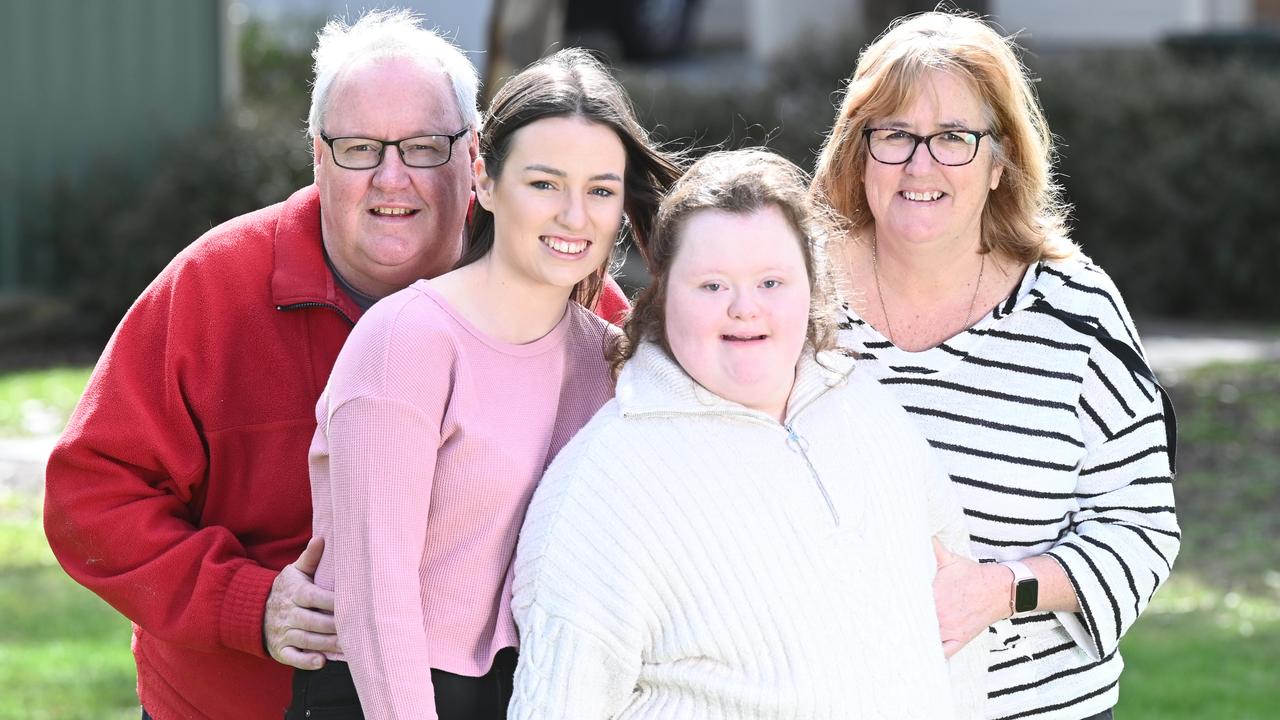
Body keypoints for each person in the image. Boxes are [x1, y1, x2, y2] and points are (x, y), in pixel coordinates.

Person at [41, 11, 630, 720]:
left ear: (471, 159)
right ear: (317, 157)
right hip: (235, 703)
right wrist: (248, 603)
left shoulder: (566, 304)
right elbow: (91, 496)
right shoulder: (214, 287)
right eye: (357, 148)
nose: (391, 179)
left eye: (421, 147)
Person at [508, 148, 986, 719]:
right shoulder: (604, 485)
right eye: (711, 286)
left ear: (812, 284)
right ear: (662, 293)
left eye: (771, 282)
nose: (744, 309)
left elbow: (957, 625)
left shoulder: (869, 410)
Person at [289, 48, 682, 720]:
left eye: (600, 190)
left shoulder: (612, 363)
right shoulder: (406, 343)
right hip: (392, 695)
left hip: (536, 693)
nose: (573, 216)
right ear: (484, 179)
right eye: (544, 184)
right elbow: (375, 603)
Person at [810, 11, 1180, 720]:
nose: (922, 165)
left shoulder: (1077, 313)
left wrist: (1004, 588)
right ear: (859, 152)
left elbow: (1140, 526)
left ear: (1000, 158)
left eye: (954, 138)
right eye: (894, 136)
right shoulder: (793, 300)